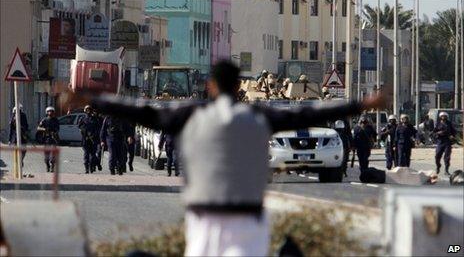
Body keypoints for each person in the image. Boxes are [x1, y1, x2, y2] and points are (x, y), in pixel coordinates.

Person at [67, 60, 384, 256]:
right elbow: (308, 113)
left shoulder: (191, 114)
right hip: (247, 222)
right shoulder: (258, 115)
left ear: (211, 86)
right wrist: (362, 104)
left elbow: (141, 111)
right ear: (238, 86)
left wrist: (90, 98)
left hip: (203, 221)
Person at [37, 107, 60, 172]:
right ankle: (47, 166)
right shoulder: (44, 120)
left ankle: (52, 167)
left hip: (53, 139)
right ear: (47, 112)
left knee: (53, 155)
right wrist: (44, 129)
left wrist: (54, 132)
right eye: (49, 111)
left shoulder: (56, 120)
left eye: (52, 111)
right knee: (46, 156)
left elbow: (58, 129)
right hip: (46, 139)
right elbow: (38, 128)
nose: (50, 113)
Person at [78, 105, 100, 174]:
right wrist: (84, 132)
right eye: (87, 109)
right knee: (86, 154)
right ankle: (86, 168)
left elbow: (98, 128)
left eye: (89, 109)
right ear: (85, 110)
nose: (88, 111)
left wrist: (94, 135)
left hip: (93, 139)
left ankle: (93, 165)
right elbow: (79, 127)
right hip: (85, 139)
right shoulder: (82, 118)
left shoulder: (95, 119)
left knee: (93, 154)